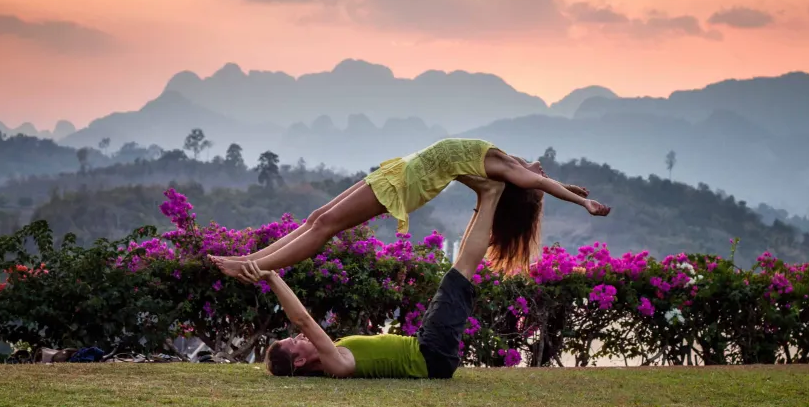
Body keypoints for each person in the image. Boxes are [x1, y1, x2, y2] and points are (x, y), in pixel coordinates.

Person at [211, 138, 610, 281]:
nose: (543, 171)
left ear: (525, 185)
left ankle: (253, 268)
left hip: (406, 185)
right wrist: (571, 188)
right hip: (400, 171)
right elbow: (543, 181)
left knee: (327, 225)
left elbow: (540, 183)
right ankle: (249, 260)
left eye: (541, 180)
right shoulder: (511, 163)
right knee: (318, 217)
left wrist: (582, 202)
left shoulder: (512, 172)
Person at [244, 176, 516, 378]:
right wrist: (271, 275)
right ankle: (491, 194)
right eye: (294, 342)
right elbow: (302, 319)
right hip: (431, 354)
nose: (299, 336)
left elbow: (302, 323)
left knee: (457, 272)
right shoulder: (337, 364)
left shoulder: (336, 355)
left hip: (427, 347)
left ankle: (486, 197)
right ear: (299, 362)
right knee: (460, 273)